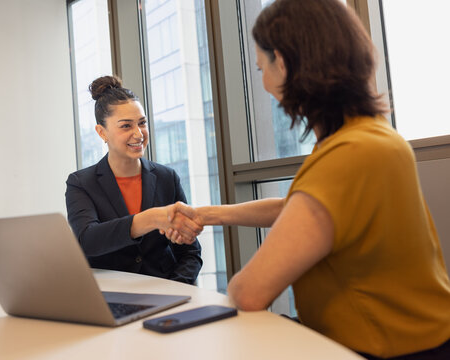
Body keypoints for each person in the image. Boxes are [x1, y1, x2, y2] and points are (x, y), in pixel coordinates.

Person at [166, 0, 450, 358]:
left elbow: (249, 292)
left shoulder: (348, 156)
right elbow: (301, 209)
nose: (266, 85)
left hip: (385, 349)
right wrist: (208, 215)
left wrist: (234, 284)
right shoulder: (370, 138)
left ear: (282, 63)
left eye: (261, 69)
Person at [65, 75, 202, 284]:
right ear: (102, 132)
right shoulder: (81, 183)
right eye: (126, 126)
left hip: (165, 297)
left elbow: (190, 253)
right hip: (111, 298)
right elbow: (88, 240)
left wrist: (174, 290)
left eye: (142, 123)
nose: (139, 134)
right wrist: (150, 219)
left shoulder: (167, 178)